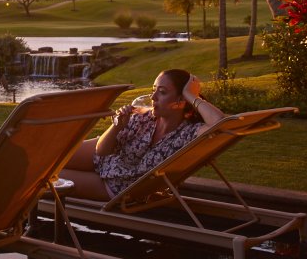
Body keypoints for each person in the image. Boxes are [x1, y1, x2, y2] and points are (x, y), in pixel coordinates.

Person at [60, 69, 226, 200]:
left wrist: (191, 95)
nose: (153, 97)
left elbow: (219, 122)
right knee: (51, 156)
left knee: (47, 175)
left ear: (181, 101)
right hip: (105, 158)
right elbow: (102, 151)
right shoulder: (144, 117)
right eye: (154, 90)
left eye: (162, 92)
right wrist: (117, 126)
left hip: (116, 184)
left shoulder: (188, 132)